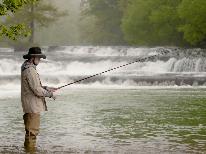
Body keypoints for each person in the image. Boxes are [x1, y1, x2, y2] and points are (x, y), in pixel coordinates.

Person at [21, 47, 58, 150]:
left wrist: (46, 88)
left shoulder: (27, 68)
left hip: (30, 105)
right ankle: (30, 151)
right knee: (32, 134)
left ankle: (28, 150)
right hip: (32, 107)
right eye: (38, 58)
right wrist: (50, 94)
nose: (40, 60)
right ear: (33, 58)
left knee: (30, 133)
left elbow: (34, 86)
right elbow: (36, 90)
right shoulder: (30, 70)